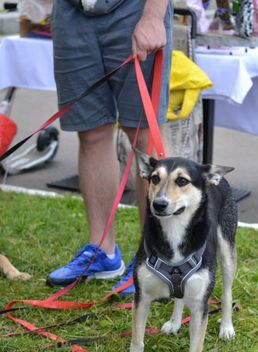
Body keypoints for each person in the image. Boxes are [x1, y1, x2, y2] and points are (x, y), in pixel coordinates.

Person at [47, 0, 173, 293]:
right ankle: (102, 252)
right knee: (90, 131)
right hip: (72, 13)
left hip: (134, 10)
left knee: (144, 134)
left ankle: (156, 258)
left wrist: (153, 16)